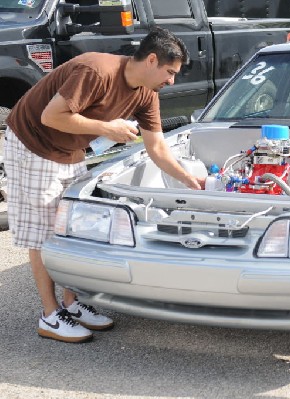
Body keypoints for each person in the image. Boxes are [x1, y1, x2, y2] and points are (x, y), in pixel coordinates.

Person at [3, 27, 205, 343]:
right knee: (43, 232)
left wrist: (190, 181)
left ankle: (73, 304)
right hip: (33, 142)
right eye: (169, 72)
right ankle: (50, 315)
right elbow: (51, 116)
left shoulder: (146, 94)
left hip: (69, 148)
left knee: (72, 225)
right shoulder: (95, 70)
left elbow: (158, 148)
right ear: (151, 60)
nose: (171, 81)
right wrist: (106, 128)